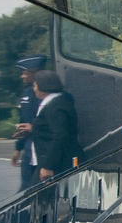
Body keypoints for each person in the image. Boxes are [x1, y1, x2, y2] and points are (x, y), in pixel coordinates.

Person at [27, 70, 83, 182]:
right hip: (50, 162)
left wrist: (48, 165)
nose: (34, 89)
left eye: (35, 85)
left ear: (43, 85)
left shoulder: (56, 106)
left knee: (39, 196)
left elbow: (60, 135)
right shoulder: (56, 102)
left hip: (57, 164)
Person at [12, 55, 46, 191]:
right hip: (28, 150)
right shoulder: (26, 93)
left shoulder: (47, 94)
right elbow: (23, 121)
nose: (22, 76)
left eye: (25, 73)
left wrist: (34, 128)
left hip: (42, 149)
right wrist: (17, 149)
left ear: (35, 73)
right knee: (25, 188)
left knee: (39, 189)